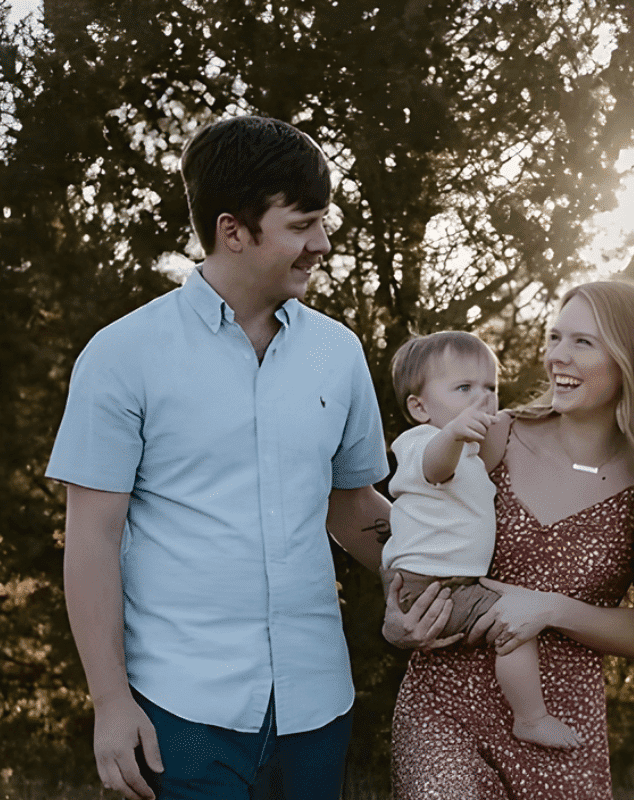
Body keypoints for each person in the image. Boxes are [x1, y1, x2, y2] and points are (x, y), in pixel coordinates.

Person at [45, 116, 393, 800]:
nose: (321, 243)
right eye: (302, 225)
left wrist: (454, 578)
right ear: (234, 230)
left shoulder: (338, 352)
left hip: (317, 704)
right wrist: (111, 702)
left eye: (325, 221)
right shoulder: (123, 356)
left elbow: (353, 508)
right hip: (182, 714)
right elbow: (92, 539)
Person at [382, 280, 634, 799]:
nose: (557, 356)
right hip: (446, 704)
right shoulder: (497, 434)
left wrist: (551, 608)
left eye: (583, 342)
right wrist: (396, 608)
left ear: (633, 361)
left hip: (560, 721)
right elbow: (419, 521)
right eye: (555, 337)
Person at [382, 330, 582, 749]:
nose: (483, 398)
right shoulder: (421, 445)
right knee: (513, 627)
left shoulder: (468, 453)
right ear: (418, 408)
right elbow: (437, 468)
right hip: (433, 586)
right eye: (463, 388)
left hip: (436, 583)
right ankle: (531, 717)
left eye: (490, 387)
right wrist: (453, 434)